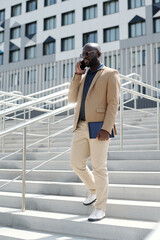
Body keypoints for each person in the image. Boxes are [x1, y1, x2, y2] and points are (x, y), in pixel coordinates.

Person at [68, 43, 120, 222]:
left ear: (98, 53)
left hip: (99, 127)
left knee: (99, 168)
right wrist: (77, 75)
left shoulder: (110, 74)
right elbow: (71, 99)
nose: (84, 57)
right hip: (81, 125)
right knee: (76, 163)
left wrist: (107, 127)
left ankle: (100, 207)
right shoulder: (83, 76)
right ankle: (93, 190)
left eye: (87, 53)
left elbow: (113, 103)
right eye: (82, 54)